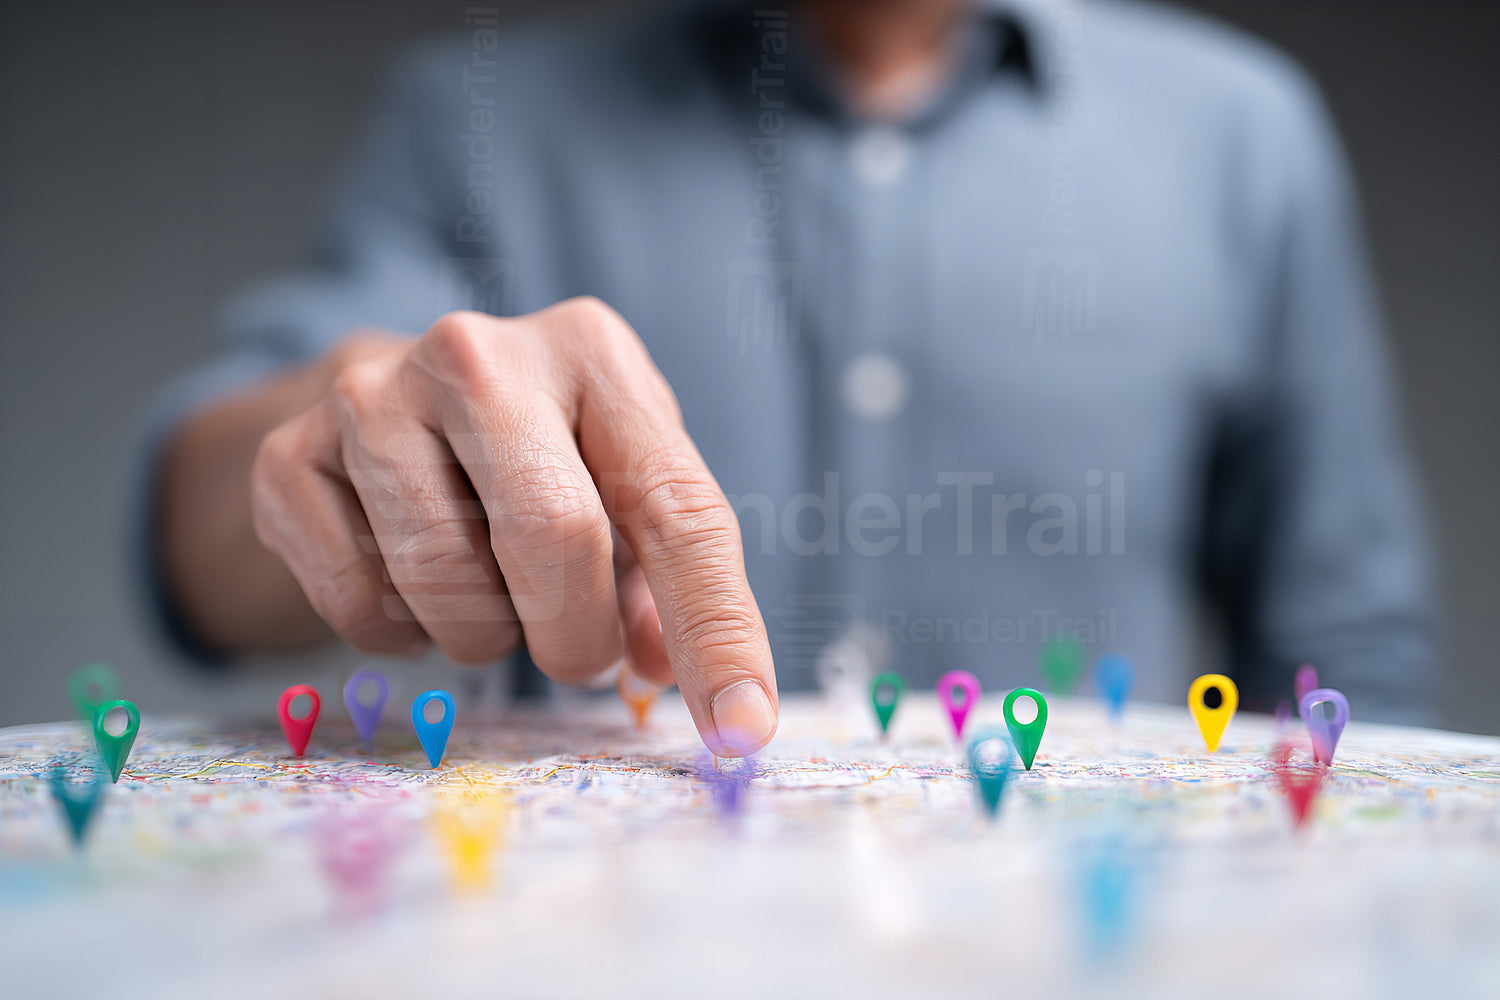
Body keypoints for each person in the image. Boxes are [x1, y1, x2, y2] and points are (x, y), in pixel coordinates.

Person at [146, 0, 1435, 757]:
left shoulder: (1242, 132)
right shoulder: (477, 112)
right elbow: (202, 532)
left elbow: (1349, 667)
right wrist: (344, 434)